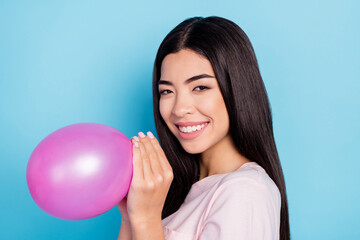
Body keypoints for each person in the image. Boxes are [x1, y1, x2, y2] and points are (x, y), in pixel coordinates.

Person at [117, 16, 290, 240]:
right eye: (167, 91)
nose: (179, 109)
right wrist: (131, 218)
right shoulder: (182, 191)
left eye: (200, 87)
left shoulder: (246, 192)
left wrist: (146, 219)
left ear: (237, 90)